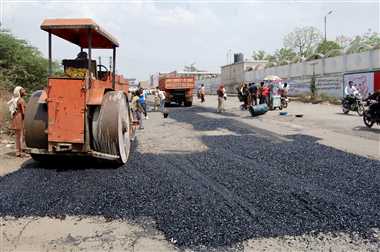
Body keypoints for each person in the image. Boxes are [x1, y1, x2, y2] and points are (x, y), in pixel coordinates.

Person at [7, 86, 26, 157]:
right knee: (21, 136)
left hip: (15, 118)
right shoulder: (21, 100)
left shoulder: (14, 99)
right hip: (20, 118)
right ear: (19, 92)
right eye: (23, 90)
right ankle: (21, 153)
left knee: (17, 136)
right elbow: (23, 112)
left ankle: (18, 152)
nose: (24, 91)